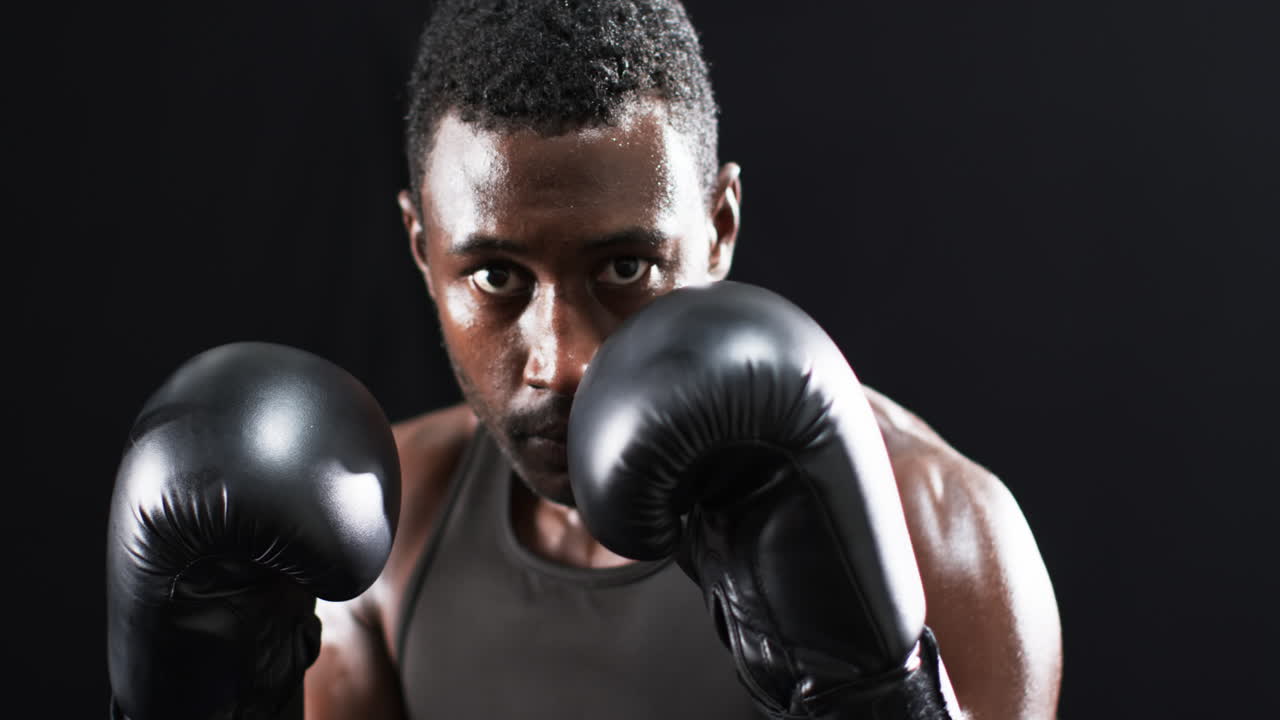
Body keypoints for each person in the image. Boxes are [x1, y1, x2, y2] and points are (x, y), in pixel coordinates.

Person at [105, 2, 1062, 719]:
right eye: (494, 278)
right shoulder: (386, 550)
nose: (561, 363)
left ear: (719, 229)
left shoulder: (942, 538)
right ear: (419, 247)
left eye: (625, 266)